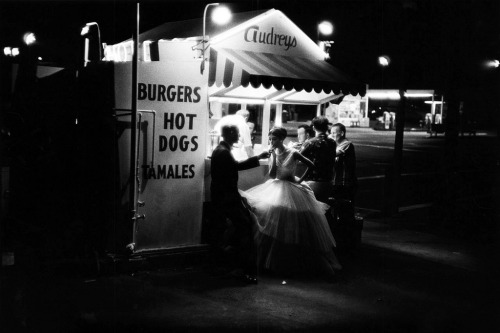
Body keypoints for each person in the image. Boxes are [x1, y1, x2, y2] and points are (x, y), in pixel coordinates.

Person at [240, 127, 342, 278]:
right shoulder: (274, 152)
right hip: (276, 186)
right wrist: (273, 157)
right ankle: (272, 261)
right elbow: (273, 174)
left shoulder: (293, 152)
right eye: (270, 139)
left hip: (291, 187)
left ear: (281, 139)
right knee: (272, 220)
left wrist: (300, 179)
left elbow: (311, 165)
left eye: (273, 139)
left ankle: (297, 262)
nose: (271, 142)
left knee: (292, 223)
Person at [211, 124, 270, 284]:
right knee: (245, 228)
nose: (239, 136)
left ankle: (232, 266)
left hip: (224, 198)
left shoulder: (220, 150)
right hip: (228, 198)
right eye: (237, 133)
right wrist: (257, 158)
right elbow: (235, 168)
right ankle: (243, 269)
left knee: (234, 230)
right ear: (230, 133)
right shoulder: (223, 152)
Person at [300, 116, 336, 204]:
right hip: (328, 181)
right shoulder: (332, 142)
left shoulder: (310, 142)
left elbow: (298, 156)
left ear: (313, 127)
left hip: (313, 182)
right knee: (322, 209)